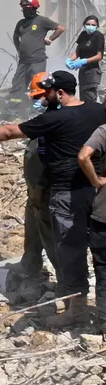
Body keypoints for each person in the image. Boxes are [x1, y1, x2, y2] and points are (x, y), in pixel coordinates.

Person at [0, 70, 106, 326]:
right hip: (96, 193)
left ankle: (77, 309)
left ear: (59, 93)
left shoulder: (55, 119)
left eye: (46, 94)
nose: (42, 99)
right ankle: (101, 314)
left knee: (71, 252)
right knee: (101, 255)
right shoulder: (97, 111)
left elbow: (7, 132)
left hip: (66, 195)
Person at [12, 72, 60, 301]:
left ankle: (67, 284)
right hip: (35, 191)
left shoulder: (60, 121)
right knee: (32, 230)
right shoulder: (46, 120)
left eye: (40, 96)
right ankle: (30, 267)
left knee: (51, 236)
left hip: (49, 191)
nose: (37, 102)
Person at [74, 121, 106, 322]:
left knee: (103, 267)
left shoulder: (104, 131)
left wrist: (96, 181)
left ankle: (104, 320)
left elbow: (83, 156)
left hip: (104, 214)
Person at [12, 0, 63, 100]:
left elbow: (60, 28)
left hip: (37, 60)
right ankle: (16, 108)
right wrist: (19, 50)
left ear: (33, 8)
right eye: (23, 9)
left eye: (26, 9)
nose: (24, 11)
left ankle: (35, 110)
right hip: (23, 61)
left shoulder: (41, 20)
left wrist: (50, 39)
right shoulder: (21, 23)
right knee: (18, 84)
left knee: (37, 85)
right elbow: (15, 37)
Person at [71, 15, 106, 104]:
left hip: (93, 70)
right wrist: (70, 60)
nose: (90, 26)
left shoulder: (98, 36)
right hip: (83, 71)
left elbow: (99, 56)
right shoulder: (83, 35)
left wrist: (84, 61)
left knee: (93, 96)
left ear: (97, 26)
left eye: (93, 25)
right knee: (83, 97)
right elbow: (78, 50)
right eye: (88, 24)